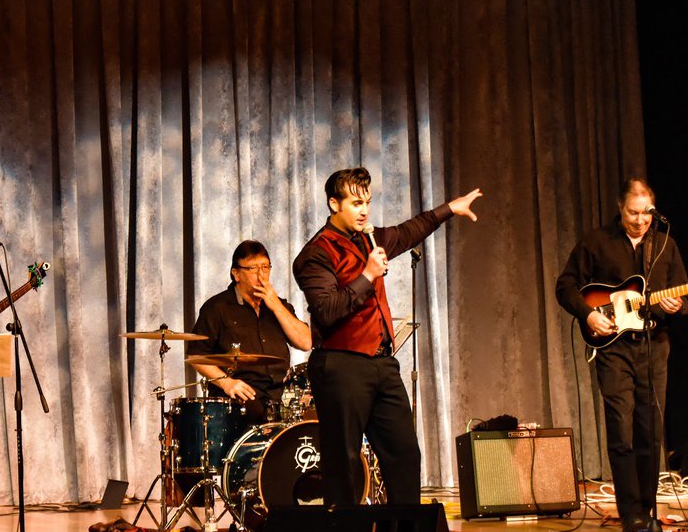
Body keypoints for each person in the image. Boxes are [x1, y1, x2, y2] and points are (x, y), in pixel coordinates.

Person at [293, 167, 481, 506]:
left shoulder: (371, 238)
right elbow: (326, 311)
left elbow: (410, 231)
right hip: (340, 365)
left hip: (381, 364)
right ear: (334, 204)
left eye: (367, 202)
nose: (364, 210)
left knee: (404, 454)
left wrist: (449, 209)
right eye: (354, 203)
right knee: (345, 464)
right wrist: (367, 274)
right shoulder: (316, 254)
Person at [555, 177, 688, 532]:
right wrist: (588, 314)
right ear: (621, 208)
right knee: (622, 429)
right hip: (614, 348)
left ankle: (648, 511)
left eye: (646, 213)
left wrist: (677, 306)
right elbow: (565, 285)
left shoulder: (665, 245)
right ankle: (629, 512)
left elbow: (686, 299)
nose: (640, 220)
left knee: (652, 430)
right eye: (634, 212)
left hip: (654, 346)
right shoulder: (597, 243)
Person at [188, 240, 312, 424]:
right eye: (253, 269)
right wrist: (226, 382)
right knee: (252, 410)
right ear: (236, 274)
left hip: (280, 395)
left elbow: (305, 342)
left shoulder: (280, 306)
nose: (261, 275)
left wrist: (276, 306)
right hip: (241, 395)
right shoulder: (217, 308)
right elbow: (195, 356)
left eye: (265, 267)